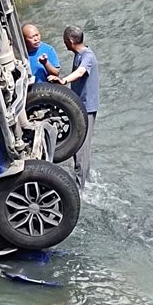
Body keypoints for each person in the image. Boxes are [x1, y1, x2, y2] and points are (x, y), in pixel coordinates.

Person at [48, 26, 100, 191]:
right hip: (79, 106)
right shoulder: (80, 54)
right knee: (79, 146)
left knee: (81, 148)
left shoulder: (87, 56)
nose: (65, 45)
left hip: (87, 108)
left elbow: (81, 72)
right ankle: (86, 179)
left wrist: (63, 80)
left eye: (65, 42)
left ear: (70, 41)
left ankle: (80, 188)